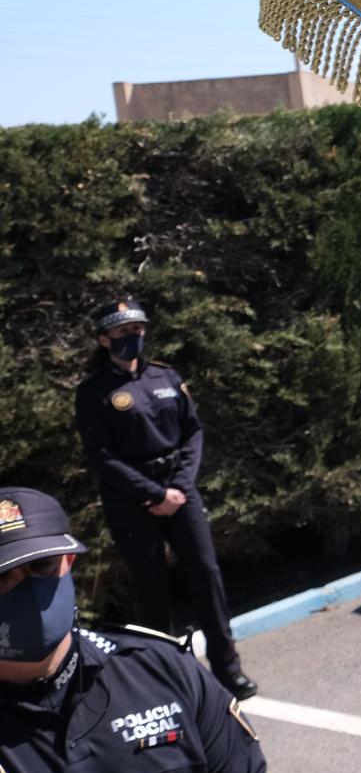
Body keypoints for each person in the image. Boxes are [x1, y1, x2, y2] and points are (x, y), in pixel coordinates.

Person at [0, 486, 285, 773]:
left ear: (68, 563)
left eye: (41, 566)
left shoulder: (163, 672)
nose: (26, 589)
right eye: (2, 578)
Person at [72, 298, 256, 701]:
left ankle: (229, 670)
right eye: (122, 332)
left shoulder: (165, 377)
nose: (132, 338)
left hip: (180, 489)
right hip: (130, 499)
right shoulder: (94, 393)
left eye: (137, 330)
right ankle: (170, 678)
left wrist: (180, 488)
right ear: (104, 340)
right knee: (151, 588)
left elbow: (193, 432)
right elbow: (102, 458)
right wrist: (154, 494)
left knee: (207, 577)